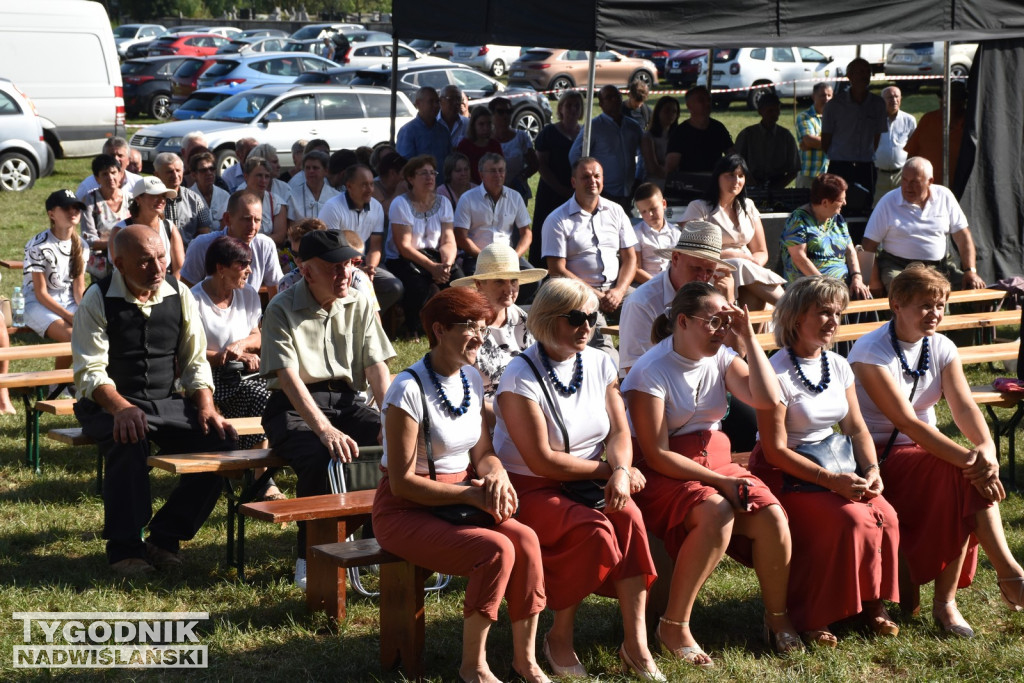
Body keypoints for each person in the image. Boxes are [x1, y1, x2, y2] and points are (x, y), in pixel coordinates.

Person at [373, 287, 548, 683]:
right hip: (405, 510)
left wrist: (497, 473)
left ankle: (526, 661)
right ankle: (475, 667)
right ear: (439, 329)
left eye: (484, 328)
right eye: (471, 327)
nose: (481, 338)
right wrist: (472, 493)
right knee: (496, 549)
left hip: (457, 501)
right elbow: (401, 484)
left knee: (527, 541)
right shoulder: (407, 389)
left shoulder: (470, 378)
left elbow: (482, 453)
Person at [493, 278, 663, 681]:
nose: (587, 326)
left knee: (631, 521)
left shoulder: (600, 361)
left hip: (589, 481)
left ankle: (635, 645)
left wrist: (620, 469)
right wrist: (613, 471)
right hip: (531, 487)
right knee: (594, 532)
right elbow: (543, 461)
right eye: (576, 318)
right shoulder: (520, 377)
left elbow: (619, 432)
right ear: (549, 321)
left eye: (592, 316)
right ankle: (560, 636)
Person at [623, 281, 801, 663]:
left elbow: (769, 400)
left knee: (771, 516)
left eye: (727, 321)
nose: (723, 329)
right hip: (664, 471)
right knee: (716, 511)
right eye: (715, 321)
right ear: (683, 322)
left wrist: (747, 339)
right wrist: (721, 481)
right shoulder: (649, 371)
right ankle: (674, 625)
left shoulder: (722, 356)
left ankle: (777, 618)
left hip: (715, 462)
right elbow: (655, 455)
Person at [848, 266, 1024, 635]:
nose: (935, 313)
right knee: (959, 476)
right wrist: (972, 463)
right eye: (925, 305)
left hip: (925, 453)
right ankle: (998, 580)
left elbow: (963, 407)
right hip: (877, 458)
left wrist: (986, 450)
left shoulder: (941, 346)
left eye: (940, 305)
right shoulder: (869, 351)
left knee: (959, 478)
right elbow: (908, 423)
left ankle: (968, 593)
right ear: (896, 304)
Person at [72, 225, 238, 575]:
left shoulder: (180, 293)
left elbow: (194, 361)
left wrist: (207, 406)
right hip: (107, 403)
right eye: (145, 261)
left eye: (161, 256)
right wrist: (121, 408)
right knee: (129, 439)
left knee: (221, 442)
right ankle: (125, 549)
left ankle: (164, 537)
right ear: (118, 263)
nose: (158, 267)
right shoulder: (97, 298)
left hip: (164, 401)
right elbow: (90, 371)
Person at [749, 276, 899, 646]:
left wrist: (873, 470)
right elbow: (775, 451)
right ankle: (814, 616)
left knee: (886, 516)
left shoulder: (839, 364)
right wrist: (833, 482)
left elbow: (857, 428)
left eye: (837, 312)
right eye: (823, 313)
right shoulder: (777, 372)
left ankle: (871, 605)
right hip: (784, 473)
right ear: (798, 317)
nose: (833, 321)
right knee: (846, 519)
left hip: (833, 464)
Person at [261, 230, 394, 588]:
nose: (345, 274)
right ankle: (311, 556)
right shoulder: (280, 308)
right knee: (322, 457)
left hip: (348, 402)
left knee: (394, 449)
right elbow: (288, 380)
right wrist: (324, 429)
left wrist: (392, 419)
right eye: (334, 267)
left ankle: (375, 543)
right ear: (306, 272)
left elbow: (377, 367)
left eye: (348, 265)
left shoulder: (359, 301)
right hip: (293, 407)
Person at [542, 157, 637, 365]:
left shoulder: (616, 211)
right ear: (573, 182)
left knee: (648, 309)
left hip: (615, 290)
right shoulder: (557, 219)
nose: (592, 181)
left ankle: (637, 363)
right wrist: (597, 295)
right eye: (585, 177)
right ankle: (614, 378)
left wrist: (619, 291)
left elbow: (630, 258)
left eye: (596, 176)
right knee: (604, 346)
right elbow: (556, 269)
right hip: (579, 294)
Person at [450, 243, 547, 421]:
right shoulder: (464, 328)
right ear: (479, 284)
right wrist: (510, 419)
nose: (509, 289)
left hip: (532, 411)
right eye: (500, 281)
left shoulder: (525, 320)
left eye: (513, 281)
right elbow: (457, 391)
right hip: (485, 419)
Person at [861, 157, 984, 294]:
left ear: (930, 181)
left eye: (914, 182)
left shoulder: (944, 196)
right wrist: (873, 282)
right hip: (899, 267)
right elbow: (868, 245)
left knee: (977, 289)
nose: (907, 187)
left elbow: (963, 236)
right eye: (904, 180)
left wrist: (970, 270)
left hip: (939, 266)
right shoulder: (888, 202)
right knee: (905, 293)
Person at [190, 235, 268, 451]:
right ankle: (254, 470)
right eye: (242, 264)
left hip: (244, 375)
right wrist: (226, 355)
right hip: (211, 379)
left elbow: (258, 336)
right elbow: (188, 352)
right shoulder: (194, 300)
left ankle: (255, 470)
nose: (249, 271)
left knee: (275, 394)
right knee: (263, 397)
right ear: (221, 268)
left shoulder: (248, 294)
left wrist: (241, 346)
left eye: (249, 264)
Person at [680, 155, 785, 310]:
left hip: (748, 268)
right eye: (730, 175)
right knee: (739, 264)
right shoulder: (698, 207)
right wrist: (739, 256)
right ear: (718, 177)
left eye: (741, 176)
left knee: (752, 293)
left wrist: (753, 263)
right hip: (713, 267)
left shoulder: (748, 206)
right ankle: (792, 306)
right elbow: (696, 251)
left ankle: (752, 333)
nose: (736, 181)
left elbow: (761, 251)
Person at [385, 155, 464, 336]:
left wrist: (446, 265)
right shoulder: (401, 203)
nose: (429, 177)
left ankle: (455, 325)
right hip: (404, 258)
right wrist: (433, 268)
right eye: (423, 174)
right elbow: (404, 247)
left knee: (460, 284)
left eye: (432, 173)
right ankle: (413, 328)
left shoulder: (443, 202)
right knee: (417, 285)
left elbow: (448, 239)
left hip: (436, 256)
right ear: (410, 179)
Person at [319, 164, 402, 315]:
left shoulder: (376, 207)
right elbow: (329, 248)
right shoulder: (333, 207)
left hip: (363, 261)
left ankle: (366, 319)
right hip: (336, 264)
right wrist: (353, 268)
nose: (370, 189)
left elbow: (376, 246)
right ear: (349, 186)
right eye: (364, 185)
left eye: (371, 184)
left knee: (394, 287)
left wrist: (370, 268)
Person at [780, 174, 871, 299]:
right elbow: (799, 258)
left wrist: (857, 278)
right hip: (811, 286)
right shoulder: (798, 220)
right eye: (841, 199)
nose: (845, 203)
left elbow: (850, 252)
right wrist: (826, 285)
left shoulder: (837, 219)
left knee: (862, 295)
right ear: (825, 202)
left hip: (842, 285)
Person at [24, 190, 88, 368]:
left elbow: (78, 290)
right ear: (51, 214)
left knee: (94, 332)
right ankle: (56, 387)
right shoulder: (38, 245)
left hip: (68, 301)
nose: (73, 211)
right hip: (38, 304)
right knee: (72, 335)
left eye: (76, 207)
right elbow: (40, 293)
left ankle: (82, 382)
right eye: (67, 207)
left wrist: (84, 313)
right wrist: (69, 316)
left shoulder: (82, 245)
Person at [180, 190, 283, 297]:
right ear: (228, 219)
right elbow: (186, 292)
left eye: (257, 220)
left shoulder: (265, 245)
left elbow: (276, 292)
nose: (252, 226)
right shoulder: (202, 245)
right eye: (246, 219)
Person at [821, 58, 888, 213]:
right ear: (849, 75)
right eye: (861, 72)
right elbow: (825, 142)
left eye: (867, 72)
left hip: (866, 167)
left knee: (864, 210)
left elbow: (877, 138)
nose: (865, 76)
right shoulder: (834, 105)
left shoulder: (878, 104)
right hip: (840, 166)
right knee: (836, 209)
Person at [454, 154, 532, 276]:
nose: (498, 175)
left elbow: (526, 233)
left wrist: (515, 256)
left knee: (533, 280)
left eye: (501, 170)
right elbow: (460, 236)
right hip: (477, 257)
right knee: (476, 282)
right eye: (492, 171)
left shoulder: (515, 197)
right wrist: (483, 257)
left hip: (507, 256)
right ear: (481, 175)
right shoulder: (467, 199)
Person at [568, 85, 643, 210]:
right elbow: (575, 155)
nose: (614, 100)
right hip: (604, 192)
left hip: (629, 191)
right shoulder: (594, 126)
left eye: (617, 96)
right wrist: (588, 181)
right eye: (609, 97)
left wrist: (639, 178)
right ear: (601, 103)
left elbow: (644, 154)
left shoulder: (633, 126)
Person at [532, 90, 583, 267]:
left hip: (577, 194)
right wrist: (561, 189)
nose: (573, 109)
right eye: (569, 105)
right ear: (560, 108)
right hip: (551, 192)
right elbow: (541, 165)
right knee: (545, 231)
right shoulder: (549, 132)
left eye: (577, 105)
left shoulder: (584, 133)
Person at [110, 177, 185, 279]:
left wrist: (170, 291)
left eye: (163, 196)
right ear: (138, 198)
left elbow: (179, 268)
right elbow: (121, 270)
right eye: (154, 195)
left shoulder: (170, 228)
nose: (161, 200)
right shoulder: (120, 230)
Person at [904, 81, 968, 185]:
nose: (946, 103)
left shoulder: (970, 125)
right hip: (927, 187)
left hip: (960, 188)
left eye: (953, 100)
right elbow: (911, 155)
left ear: (963, 102)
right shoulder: (928, 120)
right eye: (944, 98)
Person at [733, 93, 800, 190]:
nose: (774, 114)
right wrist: (751, 182)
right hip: (750, 184)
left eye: (777, 110)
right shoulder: (747, 135)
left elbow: (794, 169)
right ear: (760, 111)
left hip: (778, 184)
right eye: (770, 111)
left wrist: (778, 186)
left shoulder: (786, 136)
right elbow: (736, 163)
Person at [80, 154, 131, 282]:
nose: (110, 178)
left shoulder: (131, 200)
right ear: (97, 178)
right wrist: (119, 243)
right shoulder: (90, 200)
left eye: (113, 172)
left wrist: (107, 240)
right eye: (104, 174)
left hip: (128, 261)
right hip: (101, 268)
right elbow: (90, 240)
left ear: (120, 174)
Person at [665, 86, 734, 174]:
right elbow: (671, 167)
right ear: (689, 106)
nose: (707, 103)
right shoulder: (680, 133)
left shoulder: (718, 128)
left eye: (709, 100)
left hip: (714, 181)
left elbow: (732, 156)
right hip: (689, 182)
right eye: (701, 100)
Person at [154, 152, 212, 247]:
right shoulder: (150, 200)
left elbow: (205, 233)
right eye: (169, 171)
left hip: (189, 255)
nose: (175, 175)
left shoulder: (195, 199)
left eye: (178, 170)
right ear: (157, 175)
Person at [396, 87, 451, 182]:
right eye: (431, 102)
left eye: (437, 102)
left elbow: (449, 160)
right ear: (418, 103)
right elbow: (405, 165)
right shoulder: (408, 131)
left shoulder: (443, 130)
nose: (435, 106)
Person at [490, 97, 538, 204]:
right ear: (492, 115)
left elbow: (534, 164)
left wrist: (520, 178)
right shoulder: (486, 139)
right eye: (500, 112)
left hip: (516, 191)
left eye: (509, 112)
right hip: (492, 193)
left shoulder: (521, 137)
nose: (505, 116)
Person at [874, 86, 917, 203]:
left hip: (901, 175)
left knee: (902, 205)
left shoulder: (909, 120)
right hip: (878, 175)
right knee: (878, 207)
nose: (894, 100)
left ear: (901, 99)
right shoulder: (873, 120)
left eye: (896, 96)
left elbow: (914, 147)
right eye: (889, 97)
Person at [631, 183, 681, 284]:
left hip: (670, 282)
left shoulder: (675, 233)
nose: (650, 215)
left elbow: (679, 265)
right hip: (645, 284)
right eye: (643, 212)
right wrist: (657, 284)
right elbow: (635, 269)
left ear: (663, 204)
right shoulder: (636, 233)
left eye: (653, 209)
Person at [239, 156, 289, 246]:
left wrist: (254, 242)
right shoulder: (235, 201)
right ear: (246, 176)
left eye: (267, 176)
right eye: (259, 175)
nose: (263, 180)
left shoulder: (277, 203)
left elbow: (280, 236)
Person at [75, 136, 141, 201]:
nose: (116, 159)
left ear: (128, 160)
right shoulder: (87, 186)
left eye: (120, 155)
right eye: (112, 155)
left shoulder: (138, 183)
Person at [795, 83, 833, 188]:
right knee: (804, 204)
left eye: (829, 95)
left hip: (829, 176)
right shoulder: (804, 117)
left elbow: (845, 140)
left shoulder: (836, 118)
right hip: (808, 175)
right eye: (823, 95)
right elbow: (809, 140)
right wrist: (836, 142)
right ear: (813, 97)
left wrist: (817, 142)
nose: (827, 99)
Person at [287, 150, 340, 223]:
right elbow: (290, 226)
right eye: (307, 168)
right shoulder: (292, 195)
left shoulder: (336, 197)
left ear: (326, 171)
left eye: (315, 168)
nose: (311, 171)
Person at [640, 96, 680, 189]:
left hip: (675, 184)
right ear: (658, 112)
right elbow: (652, 169)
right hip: (655, 185)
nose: (671, 115)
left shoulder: (678, 136)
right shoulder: (648, 137)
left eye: (674, 111)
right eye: (667, 111)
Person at [456, 108, 504, 184]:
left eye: (489, 124)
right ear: (473, 125)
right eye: (481, 124)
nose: (486, 128)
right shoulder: (464, 146)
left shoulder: (495, 145)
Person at [188, 151, 229, 231]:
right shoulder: (187, 198)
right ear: (194, 174)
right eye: (203, 170)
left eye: (212, 169)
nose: (209, 173)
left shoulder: (224, 196)